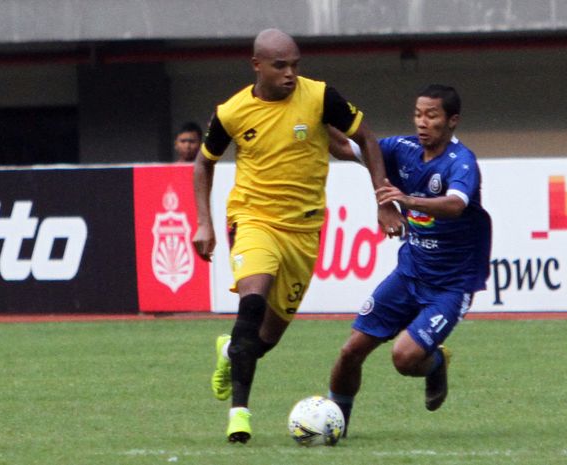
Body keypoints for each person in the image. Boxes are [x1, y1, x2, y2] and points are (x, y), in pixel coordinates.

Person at [192, 28, 400, 443]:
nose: (290, 73)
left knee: (264, 338)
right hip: (253, 219)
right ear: (257, 65)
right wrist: (205, 221)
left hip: (304, 231)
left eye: (295, 65)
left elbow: (366, 138)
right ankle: (240, 417)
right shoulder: (232, 111)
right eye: (280, 65)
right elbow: (203, 162)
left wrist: (382, 199)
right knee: (251, 303)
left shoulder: (321, 97)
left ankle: (229, 352)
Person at [326, 84, 492, 435]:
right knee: (350, 350)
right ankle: (334, 426)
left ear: (452, 121)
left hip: (451, 285)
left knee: (404, 359)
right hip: (410, 273)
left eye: (432, 115)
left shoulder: (461, 162)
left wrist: (407, 200)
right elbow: (344, 147)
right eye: (418, 114)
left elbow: (456, 205)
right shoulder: (401, 149)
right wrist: (313, 114)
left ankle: (434, 365)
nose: (422, 122)